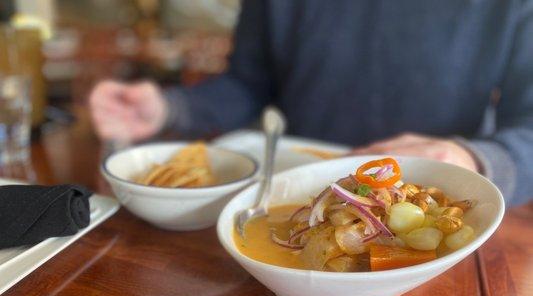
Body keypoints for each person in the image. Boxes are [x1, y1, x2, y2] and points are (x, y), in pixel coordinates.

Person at [90, 0, 533, 206]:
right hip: (291, 193)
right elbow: (247, 85)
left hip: (435, 201)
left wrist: (471, 156)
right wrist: (169, 110)